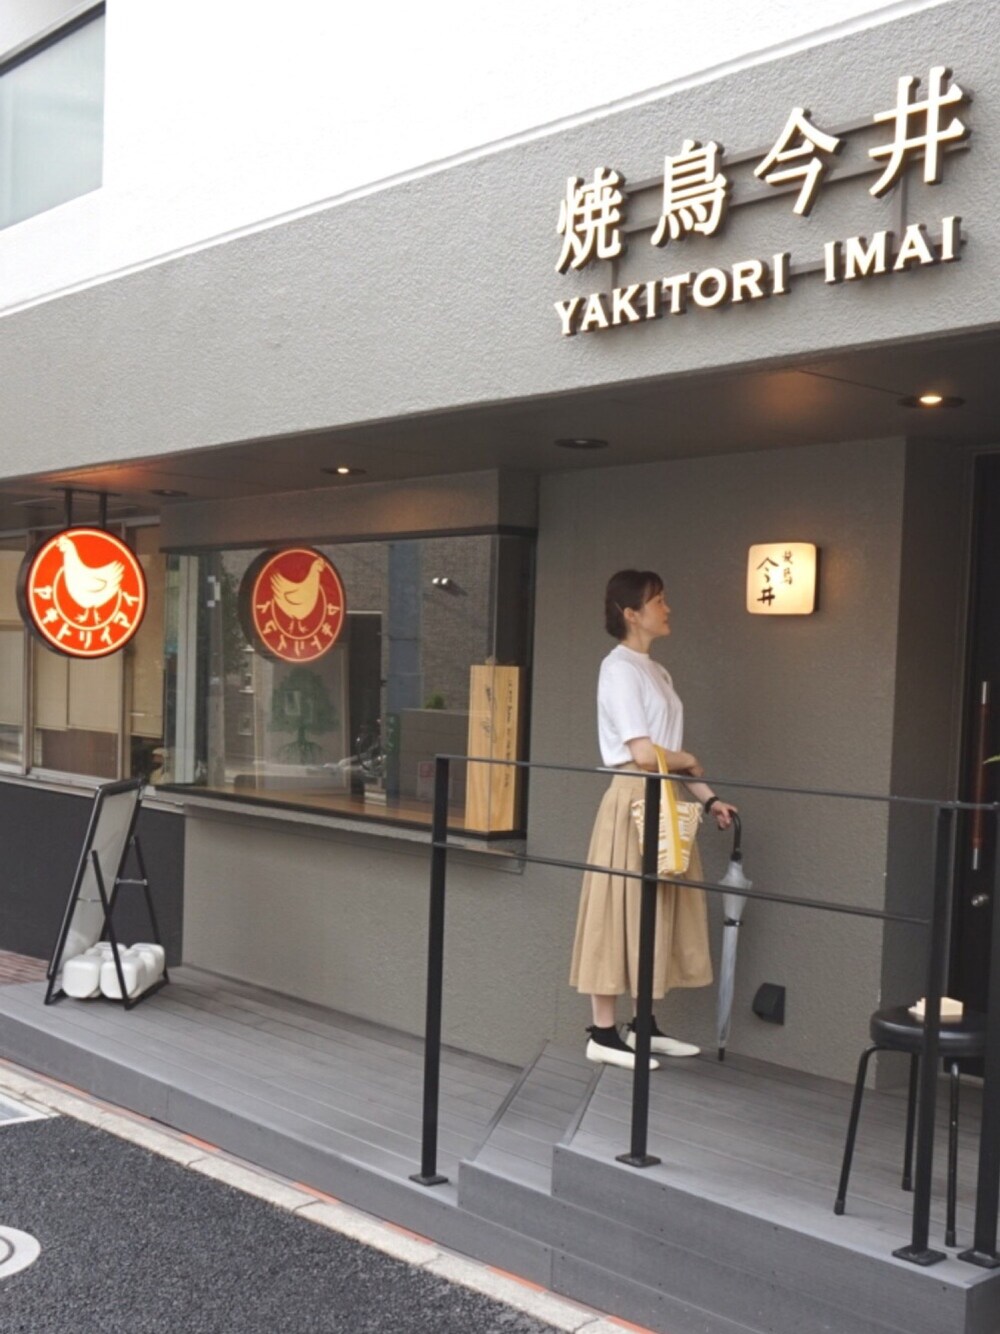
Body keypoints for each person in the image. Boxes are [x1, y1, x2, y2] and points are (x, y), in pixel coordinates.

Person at [569, 569, 737, 1069]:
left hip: (663, 797)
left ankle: (643, 1026)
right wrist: (689, 760)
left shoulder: (656, 671)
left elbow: (664, 756)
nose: (667, 609)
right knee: (616, 911)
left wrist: (709, 798)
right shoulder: (618, 668)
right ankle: (602, 1034)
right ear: (631, 613)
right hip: (633, 799)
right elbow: (644, 755)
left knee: (655, 909)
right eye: (658, 601)